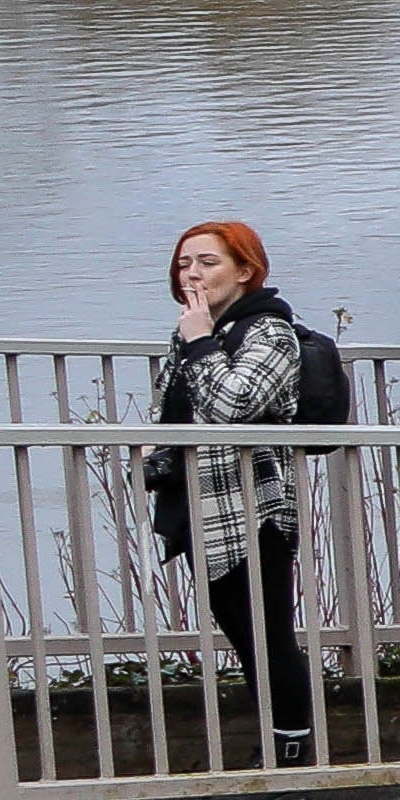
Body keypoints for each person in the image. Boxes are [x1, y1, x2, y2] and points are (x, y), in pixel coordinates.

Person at [145, 218, 349, 766]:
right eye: (184, 263)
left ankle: (292, 757)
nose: (193, 273)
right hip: (199, 504)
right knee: (242, 634)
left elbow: (231, 407)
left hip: (252, 510)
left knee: (268, 635)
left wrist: (199, 342)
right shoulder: (197, 329)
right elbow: (176, 409)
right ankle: (275, 750)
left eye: (208, 262)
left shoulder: (269, 331)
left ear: (245, 270)